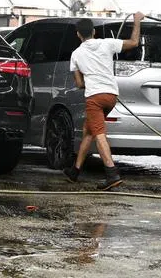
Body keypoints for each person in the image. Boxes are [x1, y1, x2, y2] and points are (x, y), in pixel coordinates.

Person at [62, 12, 143, 190]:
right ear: (94, 32)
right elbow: (134, 43)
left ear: (78, 34)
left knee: (99, 135)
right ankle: (74, 171)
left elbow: (79, 83)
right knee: (89, 131)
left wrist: (90, 78)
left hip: (94, 99)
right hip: (111, 96)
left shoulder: (76, 54)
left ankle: (112, 174)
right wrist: (136, 21)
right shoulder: (107, 43)